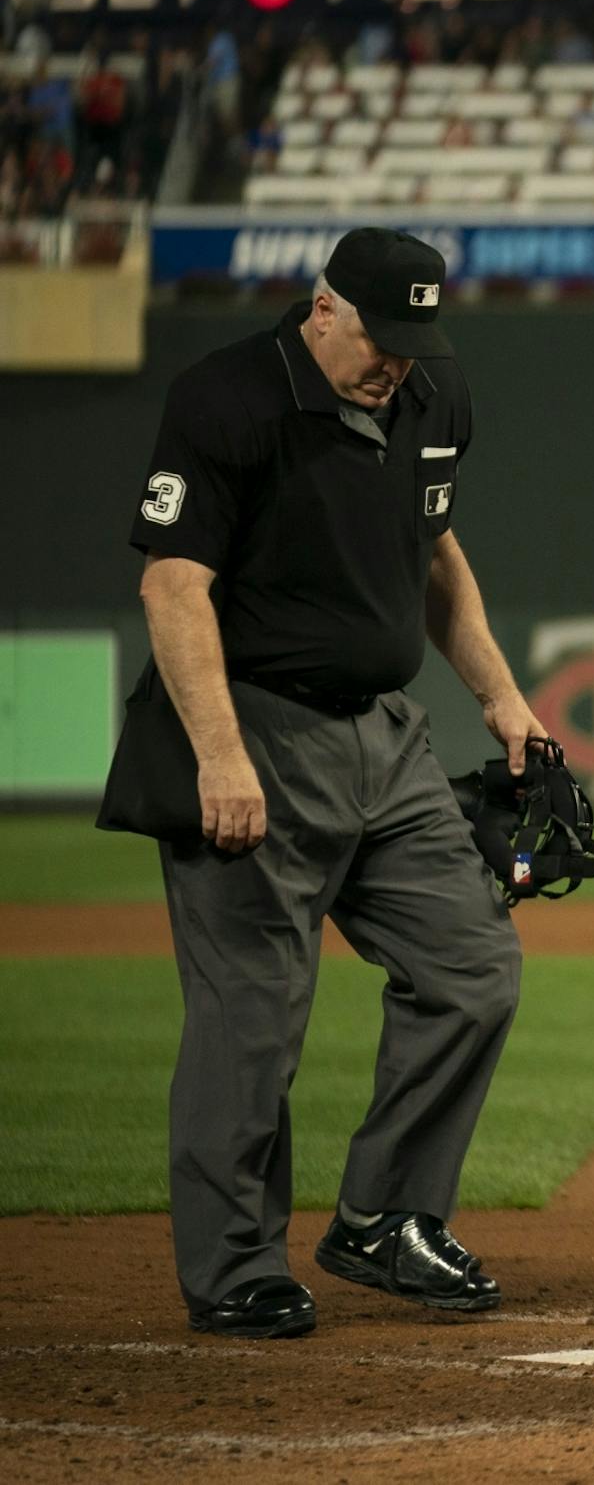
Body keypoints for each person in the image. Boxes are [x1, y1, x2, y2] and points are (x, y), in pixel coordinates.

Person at [100, 229, 540, 1340]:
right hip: (253, 727)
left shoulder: (433, 395)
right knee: (251, 1015)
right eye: (381, 338)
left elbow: (435, 554)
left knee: (473, 964)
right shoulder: (231, 399)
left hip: (388, 742)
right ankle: (238, 1266)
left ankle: (387, 1217)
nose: (396, 362)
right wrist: (220, 753)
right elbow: (173, 586)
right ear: (325, 308)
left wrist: (499, 695)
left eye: (414, 342)